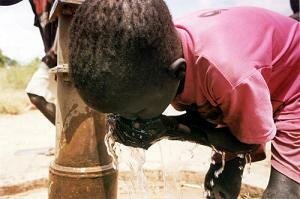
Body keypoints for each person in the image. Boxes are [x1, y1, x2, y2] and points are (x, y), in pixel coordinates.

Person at [69, 0, 300, 198]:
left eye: (137, 112)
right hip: (248, 80)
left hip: (293, 83)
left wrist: (170, 128)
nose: (131, 120)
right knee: (220, 181)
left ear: (177, 73)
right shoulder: (162, 51)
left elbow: (247, 143)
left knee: (282, 192)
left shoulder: (227, 72)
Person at [0, 0, 57, 124]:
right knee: (35, 91)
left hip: (70, 51)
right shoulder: (36, 3)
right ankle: (68, 134)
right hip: (52, 58)